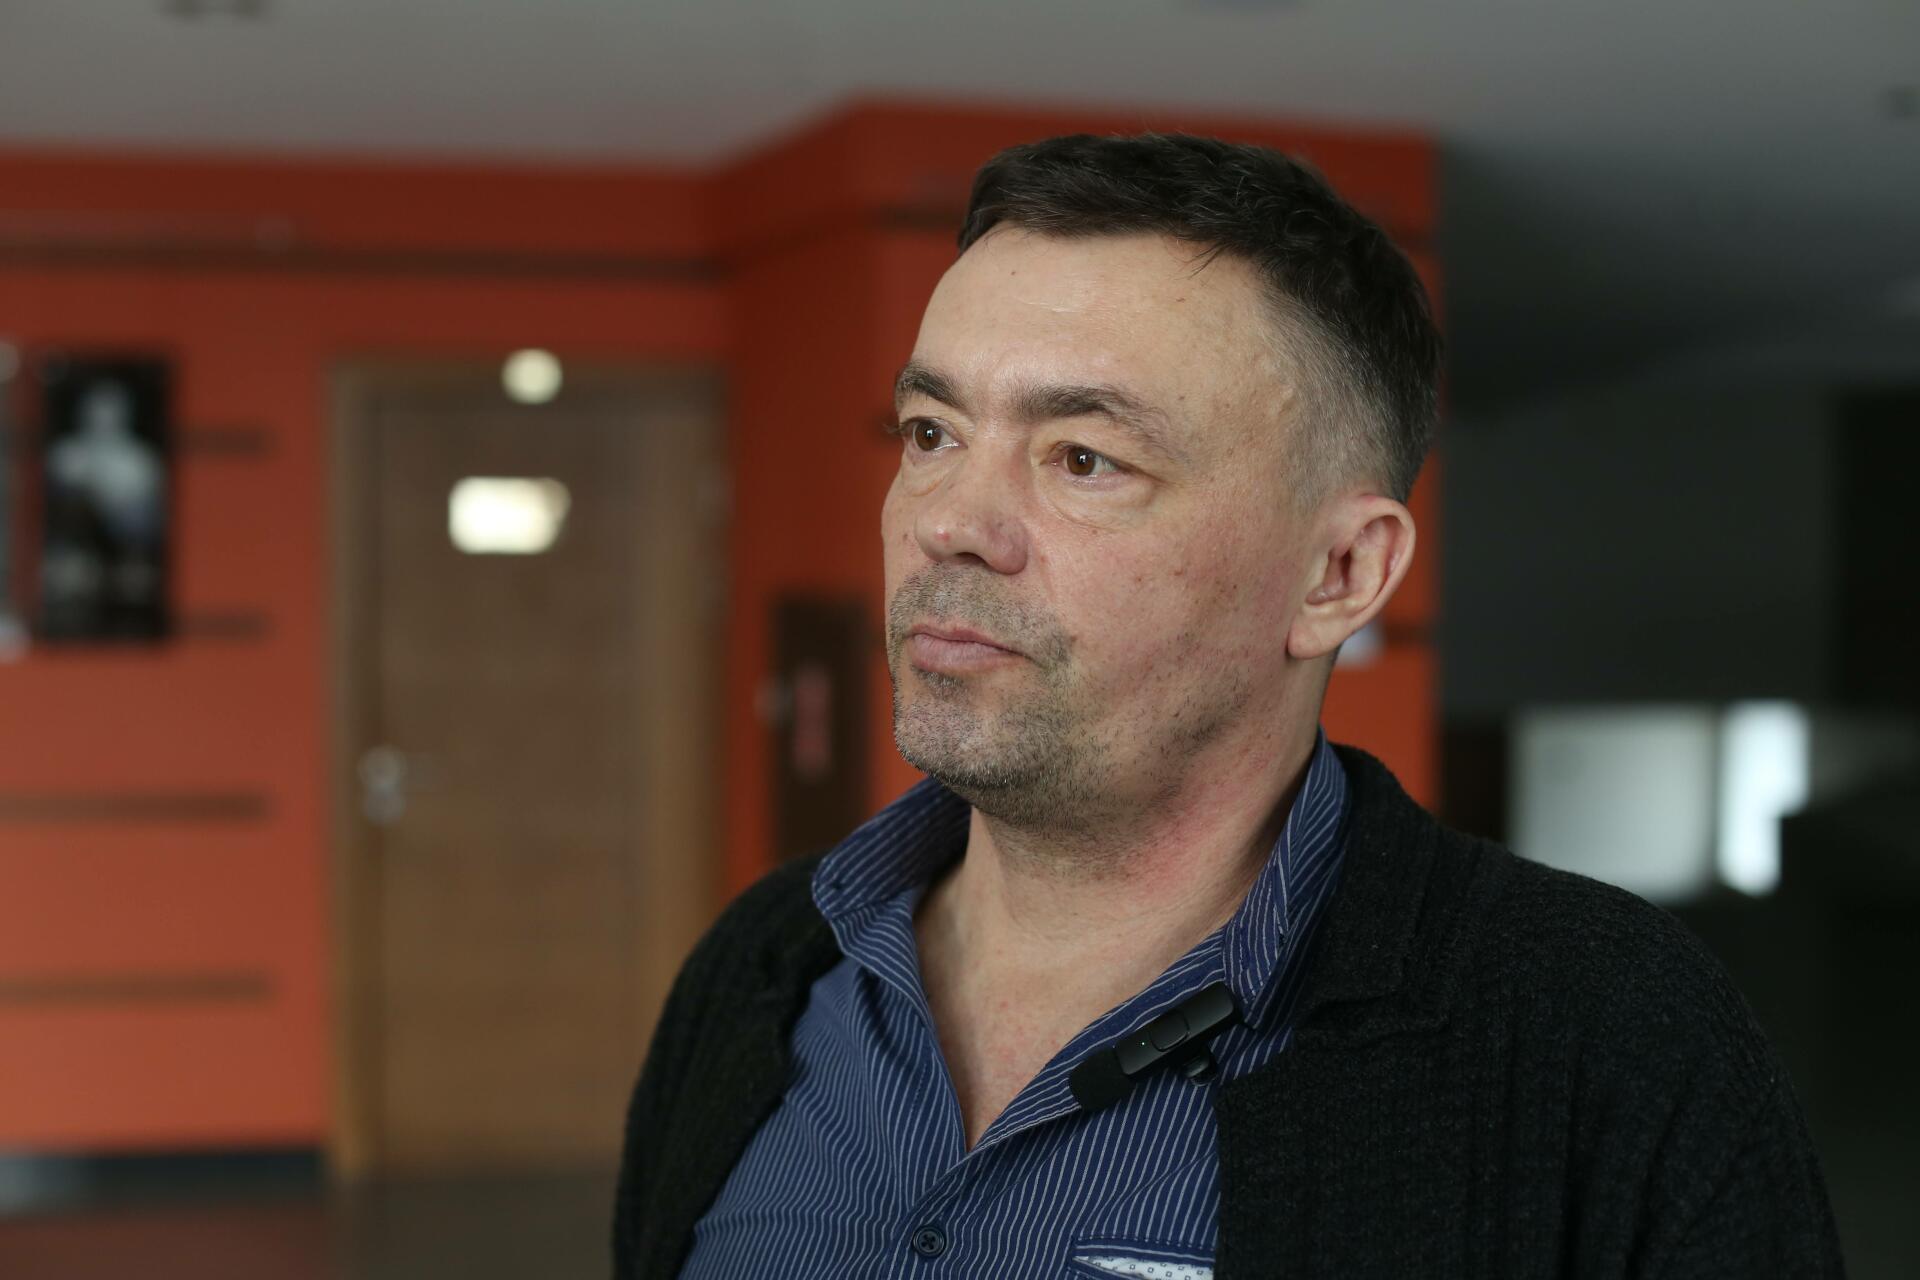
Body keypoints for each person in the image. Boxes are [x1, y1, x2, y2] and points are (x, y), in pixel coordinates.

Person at [613, 133, 1843, 1279]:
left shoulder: (1607, 1043)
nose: (949, 523)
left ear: (1339, 574)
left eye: (1084, 457)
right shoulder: (765, 965)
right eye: (932, 431)